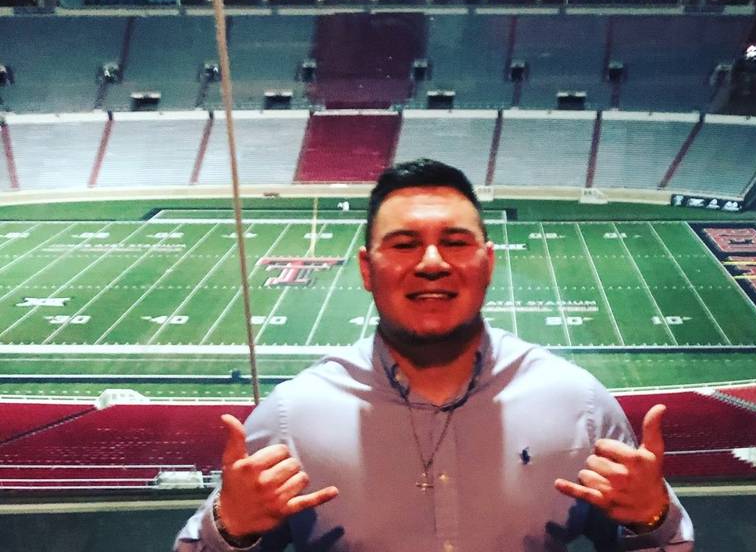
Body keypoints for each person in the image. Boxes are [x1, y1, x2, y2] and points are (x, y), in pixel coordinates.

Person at [175, 159, 694, 551]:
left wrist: (651, 518)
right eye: (403, 244)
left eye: (455, 242)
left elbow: (653, 544)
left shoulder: (578, 403)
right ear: (365, 268)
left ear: (488, 263)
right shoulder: (292, 415)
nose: (431, 263)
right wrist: (231, 529)